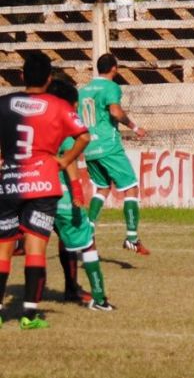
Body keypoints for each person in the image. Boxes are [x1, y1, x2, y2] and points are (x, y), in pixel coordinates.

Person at [0, 53, 91, 329]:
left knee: (3, 250)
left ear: (22, 76)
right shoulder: (59, 105)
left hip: (9, 182)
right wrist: (65, 160)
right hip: (43, 183)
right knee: (36, 248)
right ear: (50, 78)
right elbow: (84, 136)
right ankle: (29, 314)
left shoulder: (3, 103)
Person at [48, 78, 114, 311]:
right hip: (59, 194)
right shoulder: (63, 127)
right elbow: (69, 159)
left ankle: (39, 299)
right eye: (74, 106)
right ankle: (98, 297)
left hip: (27, 191)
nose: (76, 111)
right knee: (86, 241)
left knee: (26, 244)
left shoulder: (33, 120)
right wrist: (76, 189)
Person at [79, 53, 150, 255]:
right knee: (131, 188)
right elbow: (115, 112)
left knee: (102, 188)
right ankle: (132, 238)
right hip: (108, 146)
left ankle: (88, 232)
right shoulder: (111, 87)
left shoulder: (83, 91)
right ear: (114, 68)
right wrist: (135, 128)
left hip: (89, 147)